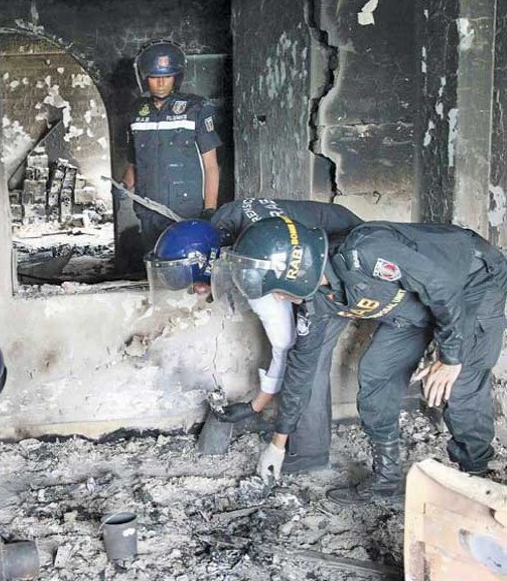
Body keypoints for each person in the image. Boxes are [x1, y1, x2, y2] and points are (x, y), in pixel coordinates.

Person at [216, 216, 507, 503]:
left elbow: (443, 288)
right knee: (376, 375)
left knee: (460, 384)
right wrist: (278, 444)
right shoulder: (316, 303)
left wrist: (450, 357)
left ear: (297, 274)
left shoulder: (368, 250)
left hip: (472, 282)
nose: (278, 300)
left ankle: (477, 481)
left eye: (277, 291)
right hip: (409, 311)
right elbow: (301, 370)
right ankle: (387, 482)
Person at [208, 199, 363, 474]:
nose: (199, 292)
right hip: (324, 243)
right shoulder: (228, 217)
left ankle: (309, 453)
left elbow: (285, 347)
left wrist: (256, 406)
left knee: (308, 359)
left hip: (349, 253)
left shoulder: (261, 273)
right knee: (303, 353)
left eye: (199, 285)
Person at [123, 40, 221, 254]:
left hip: (186, 210)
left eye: (166, 76)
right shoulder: (136, 112)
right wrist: (122, 187)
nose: (161, 83)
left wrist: (210, 208)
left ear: (176, 77)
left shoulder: (196, 108)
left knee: (187, 266)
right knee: (156, 263)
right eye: (155, 77)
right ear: (144, 78)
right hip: (149, 208)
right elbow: (134, 161)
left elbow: (211, 166)